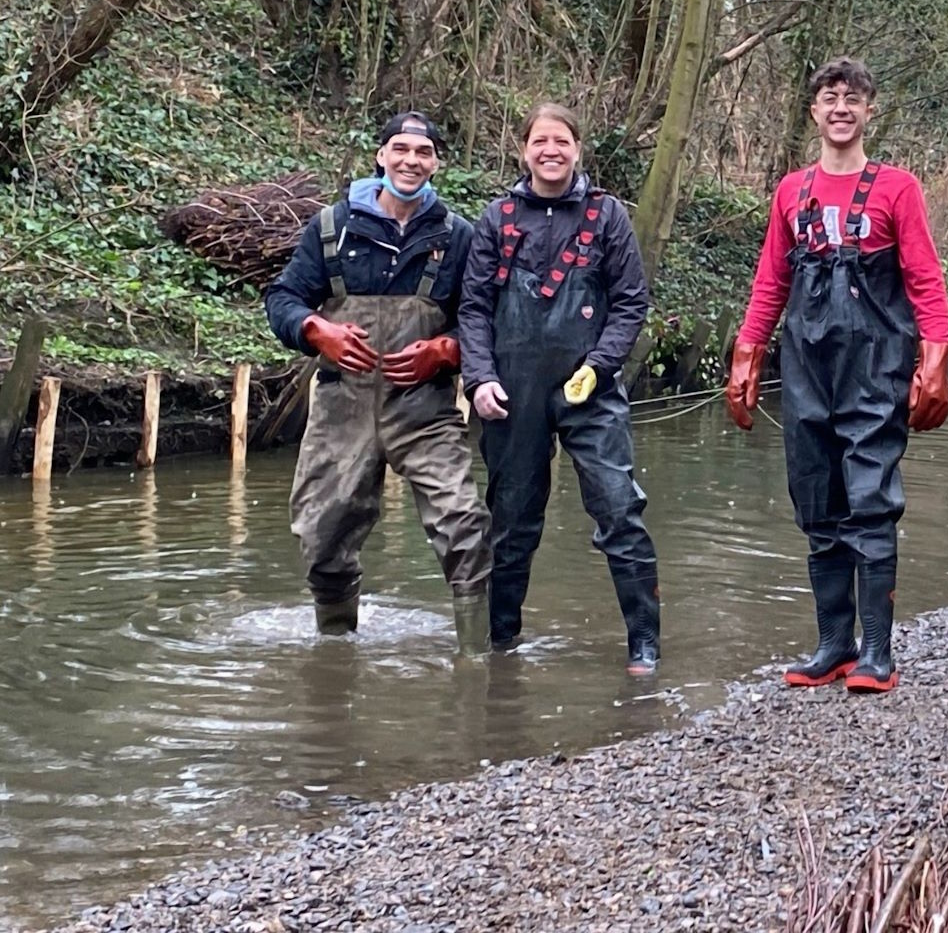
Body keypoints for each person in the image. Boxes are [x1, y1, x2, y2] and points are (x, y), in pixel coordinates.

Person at [725, 57, 948, 694]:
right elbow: (772, 279)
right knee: (815, 496)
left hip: (875, 364)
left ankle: (877, 651)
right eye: (829, 99)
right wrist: (747, 353)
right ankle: (833, 644)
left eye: (852, 99)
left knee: (871, 500)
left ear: (869, 110)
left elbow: (925, 279)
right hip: (804, 367)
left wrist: (934, 357)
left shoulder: (897, 188)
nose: (841, 109)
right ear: (814, 112)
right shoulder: (789, 192)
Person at [265, 112, 491, 656]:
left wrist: (446, 349)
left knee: (464, 524)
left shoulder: (458, 237)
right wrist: (316, 330)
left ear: (437, 163)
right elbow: (282, 300)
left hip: (425, 409)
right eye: (400, 149)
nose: (411, 160)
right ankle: (335, 654)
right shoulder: (329, 229)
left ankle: (478, 663)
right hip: (342, 404)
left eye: (423, 152)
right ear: (380, 155)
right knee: (322, 536)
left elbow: (482, 318)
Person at [457, 103, 660, 675]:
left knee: (620, 508)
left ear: (578, 148)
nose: (551, 150)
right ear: (524, 149)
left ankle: (644, 640)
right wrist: (479, 379)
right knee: (511, 519)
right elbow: (473, 308)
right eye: (540, 141)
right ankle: (501, 646)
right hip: (510, 390)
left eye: (562, 141)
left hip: (589, 391)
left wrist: (599, 364)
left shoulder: (608, 215)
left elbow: (630, 302)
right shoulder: (496, 218)